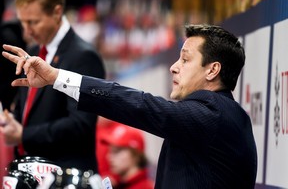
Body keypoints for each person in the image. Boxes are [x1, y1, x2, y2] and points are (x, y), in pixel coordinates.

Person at [1, 24, 258, 189]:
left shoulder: (213, 114)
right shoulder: (213, 116)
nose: (174, 66)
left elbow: (141, 105)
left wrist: (57, 77)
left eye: (185, 59)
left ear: (213, 70)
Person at [0, 0, 105, 172]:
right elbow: (29, 109)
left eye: (33, 22)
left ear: (57, 12)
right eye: (23, 22)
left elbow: (80, 125)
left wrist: (24, 134)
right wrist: (10, 120)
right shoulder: (33, 50)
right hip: (31, 174)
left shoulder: (84, 56)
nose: (27, 31)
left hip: (66, 175)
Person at [101, 124, 154, 189]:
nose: (109, 157)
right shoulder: (119, 184)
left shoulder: (144, 187)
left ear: (136, 155)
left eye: (117, 151)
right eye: (109, 151)